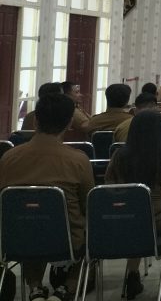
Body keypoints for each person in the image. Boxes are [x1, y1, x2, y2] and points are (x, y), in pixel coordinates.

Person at [0, 93, 94, 301]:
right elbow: (88, 204)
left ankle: (35, 288)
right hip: (66, 240)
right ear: (69, 123)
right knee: (88, 231)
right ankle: (65, 290)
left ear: (36, 120)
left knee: (31, 221)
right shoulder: (78, 160)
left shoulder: (8, 158)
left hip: (16, 238)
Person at [106, 111, 161, 299]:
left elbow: (109, 189)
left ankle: (132, 276)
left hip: (127, 217)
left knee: (136, 228)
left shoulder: (119, 155)